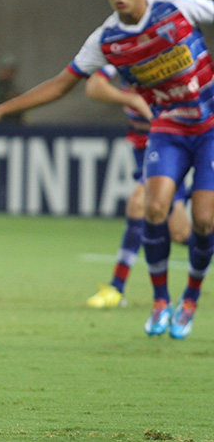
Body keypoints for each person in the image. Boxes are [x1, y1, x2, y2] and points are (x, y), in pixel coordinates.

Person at [0, 0, 214, 340]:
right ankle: (160, 302)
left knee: (203, 221)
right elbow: (61, 84)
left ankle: (191, 300)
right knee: (152, 207)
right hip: (168, 129)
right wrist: (0, 110)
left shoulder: (177, 6)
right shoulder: (107, 40)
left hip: (210, 128)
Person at [85, 67, 191, 309]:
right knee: (180, 233)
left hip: (169, 150)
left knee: (137, 203)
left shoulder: (168, 65)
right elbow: (94, 86)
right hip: (143, 152)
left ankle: (116, 288)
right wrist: (131, 98)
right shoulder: (124, 56)